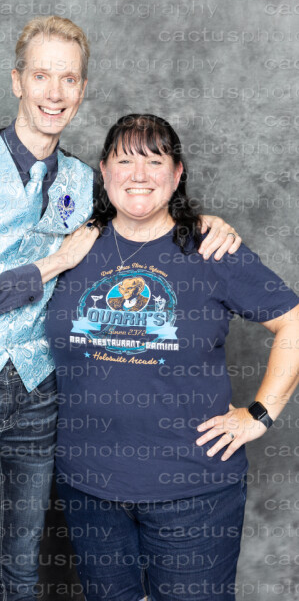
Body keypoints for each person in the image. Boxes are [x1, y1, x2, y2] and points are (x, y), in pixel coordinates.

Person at [0, 15, 242, 601]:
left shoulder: (88, 181)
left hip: (41, 393)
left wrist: (204, 223)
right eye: (41, 75)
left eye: (69, 79)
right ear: (17, 81)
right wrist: (51, 264)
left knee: (21, 573)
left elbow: (145, 218)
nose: (55, 92)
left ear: (82, 89)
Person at [45, 114, 299, 601]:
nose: (138, 175)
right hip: (88, 488)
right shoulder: (74, 244)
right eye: (124, 161)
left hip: (193, 491)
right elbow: (5, 295)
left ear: (177, 173)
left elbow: (293, 321)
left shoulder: (211, 248)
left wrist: (260, 414)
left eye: (154, 161)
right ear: (104, 171)